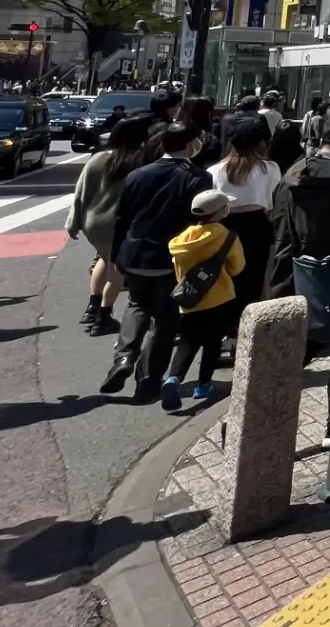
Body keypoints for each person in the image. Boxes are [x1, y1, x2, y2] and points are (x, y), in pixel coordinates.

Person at [104, 123, 213, 403]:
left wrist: (116, 255)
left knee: (136, 304)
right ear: (190, 144)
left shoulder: (137, 174)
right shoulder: (199, 178)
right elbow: (199, 221)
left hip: (135, 252)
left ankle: (124, 357)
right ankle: (149, 382)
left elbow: (122, 218)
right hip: (172, 256)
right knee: (164, 320)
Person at [270, 115, 330, 435]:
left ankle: (261, 411)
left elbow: (280, 228)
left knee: (296, 350)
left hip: (299, 273)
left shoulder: (294, 173)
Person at [159, 190, 245, 410]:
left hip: (190, 299)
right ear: (221, 211)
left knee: (188, 341)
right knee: (213, 342)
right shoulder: (226, 235)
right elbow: (237, 266)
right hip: (219, 297)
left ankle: (173, 379)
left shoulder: (182, 239)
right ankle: (203, 385)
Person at [70, 115, 151, 336]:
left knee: (104, 260)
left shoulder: (99, 158)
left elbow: (81, 192)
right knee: (117, 267)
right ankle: (103, 316)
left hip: (94, 222)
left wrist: (73, 223)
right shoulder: (140, 161)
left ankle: (93, 306)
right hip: (119, 222)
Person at [207, 116, 282, 328]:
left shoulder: (215, 170)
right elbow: (274, 200)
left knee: (225, 275)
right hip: (258, 224)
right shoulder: (270, 168)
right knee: (254, 277)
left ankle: (224, 323)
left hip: (224, 225)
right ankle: (246, 326)